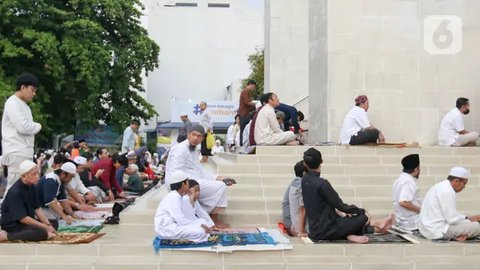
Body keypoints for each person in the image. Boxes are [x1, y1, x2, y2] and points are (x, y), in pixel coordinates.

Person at [301, 147, 393, 243]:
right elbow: (340, 206)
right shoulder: (322, 183)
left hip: (315, 230)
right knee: (362, 217)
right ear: (322, 161)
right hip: (327, 229)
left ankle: (376, 227)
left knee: (347, 220)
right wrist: (361, 211)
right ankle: (355, 232)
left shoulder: (304, 180)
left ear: (305, 164)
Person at [165, 125, 229, 227]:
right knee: (221, 186)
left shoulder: (194, 149)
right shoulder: (181, 149)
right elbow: (175, 172)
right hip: (180, 184)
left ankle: (210, 218)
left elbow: (199, 170)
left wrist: (217, 177)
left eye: (198, 136)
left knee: (221, 183)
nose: (195, 138)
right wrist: (189, 185)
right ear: (188, 135)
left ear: (202, 138)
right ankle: (213, 218)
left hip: (192, 180)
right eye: (193, 135)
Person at [1, 73, 42, 187]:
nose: (34, 94)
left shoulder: (26, 107)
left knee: (24, 187)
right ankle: (6, 205)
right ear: (23, 87)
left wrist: (32, 126)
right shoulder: (12, 103)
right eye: (32, 90)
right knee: (14, 186)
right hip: (16, 150)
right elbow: (23, 127)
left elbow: (27, 126)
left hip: (25, 151)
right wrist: (38, 126)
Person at [0, 160, 57, 242]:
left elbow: (37, 208)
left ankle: (43, 231)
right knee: (41, 232)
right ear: (24, 176)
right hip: (13, 224)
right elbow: (23, 219)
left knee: (54, 223)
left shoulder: (32, 186)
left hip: (26, 221)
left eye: (38, 173)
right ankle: (7, 236)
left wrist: (48, 225)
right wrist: (44, 227)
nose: (38, 176)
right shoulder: (15, 192)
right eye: (34, 174)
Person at [418, 167, 480, 241]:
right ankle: (454, 236)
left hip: (428, 228)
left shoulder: (442, 186)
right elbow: (451, 219)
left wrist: (467, 218)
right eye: (464, 184)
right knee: (477, 226)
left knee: (469, 222)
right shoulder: (447, 191)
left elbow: (450, 215)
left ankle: (456, 236)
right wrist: (468, 220)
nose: (464, 187)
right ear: (457, 181)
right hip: (436, 230)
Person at [154, 171, 212, 243]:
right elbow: (181, 220)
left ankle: (187, 238)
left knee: (202, 224)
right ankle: (183, 240)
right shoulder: (174, 197)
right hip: (167, 229)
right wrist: (200, 225)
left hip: (174, 226)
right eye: (187, 182)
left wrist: (200, 224)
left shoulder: (177, 196)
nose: (189, 185)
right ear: (183, 184)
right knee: (200, 232)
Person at [393, 154, 422, 232]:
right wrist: (421, 210)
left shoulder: (401, 178)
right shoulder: (408, 181)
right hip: (411, 223)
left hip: (406, 220)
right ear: (416, 169)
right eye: (419, 168)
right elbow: (403, 202)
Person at [281, 161, 308, 237]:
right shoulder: (298, 182)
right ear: (304, 173)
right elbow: (301, 207)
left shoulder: (297, 182)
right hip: (292, 224)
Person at [238, 80, 257, 146]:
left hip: (245, 113)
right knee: (243, 130)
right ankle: (242, 144)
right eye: (253, 87)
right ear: (251, 84)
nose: (253, 88)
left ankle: (243, 144)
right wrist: (256, 104)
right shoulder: (245, 91)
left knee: (244, 130)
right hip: (244, 114)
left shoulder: (246, 91)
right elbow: (247, 102)